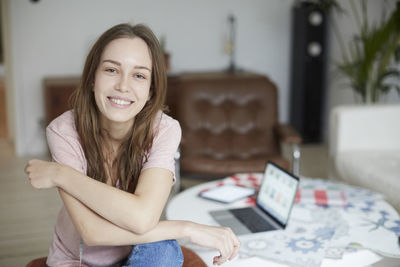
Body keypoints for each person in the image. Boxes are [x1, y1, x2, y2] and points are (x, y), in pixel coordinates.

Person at [24, 23, 240, 267]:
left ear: (150, 90)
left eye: (139, 75)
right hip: (79, 259)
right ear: (93, 78)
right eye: (111, 70)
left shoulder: (164, 129)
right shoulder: (64, 131)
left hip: (138, 250)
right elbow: (92, 233)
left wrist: (60, 174)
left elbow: (142, 218)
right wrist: (186, 229)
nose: (123, 86)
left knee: (164, 252)